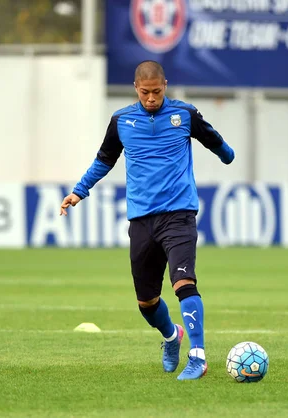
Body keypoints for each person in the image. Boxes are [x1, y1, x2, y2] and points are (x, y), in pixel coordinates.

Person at [59, 60, 235, 381]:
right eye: (145, 92)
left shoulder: (184, 114)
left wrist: (227, 154)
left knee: (184, 283)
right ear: (136, 89)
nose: (151, 98)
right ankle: (172, 337)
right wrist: (78, 192)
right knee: (146, 302)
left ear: (165, 86)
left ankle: (198, 356)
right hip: (141, 220)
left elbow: (212, 138)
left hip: (179, 214)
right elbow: (104, 161)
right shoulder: (122, 120)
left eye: (156, 91)